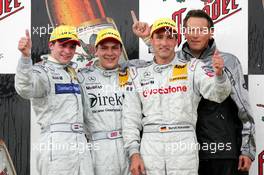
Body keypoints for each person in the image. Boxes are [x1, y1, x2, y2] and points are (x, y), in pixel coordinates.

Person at [133, 9, 256, 175]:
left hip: (220, 150)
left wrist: (247, 149)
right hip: (184, 151)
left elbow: (243, 107)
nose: (195, 35)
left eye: (201, 30)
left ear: (211, 33)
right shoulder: (177, 61)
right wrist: (147, 38)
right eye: (190, 30)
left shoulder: (227, 61)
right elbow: (160, 53)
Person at [15, 25, 94, 175]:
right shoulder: (42, 71)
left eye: (72, 47)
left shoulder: (73, 72)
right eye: (63, 45)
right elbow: (24, 88)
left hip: (80, 142)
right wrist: (25, 58)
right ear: (51, 45)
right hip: (57, 144)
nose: (68, 51)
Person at [78, 28, 130, 175]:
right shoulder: (82, 78)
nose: (110, 53)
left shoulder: (132, 74)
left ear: (120, 51)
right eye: (104, 48)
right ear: (96, 51)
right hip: (98, 149)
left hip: (129, 146)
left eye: (114, 48)